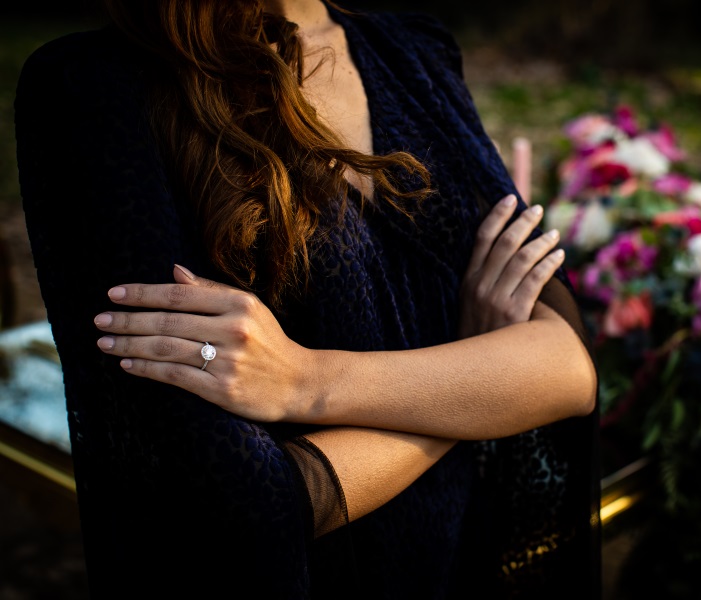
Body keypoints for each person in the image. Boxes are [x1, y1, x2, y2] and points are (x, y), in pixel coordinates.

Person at [15, 0, 599, 598]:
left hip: (461, 559)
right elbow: (249, 506)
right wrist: (481, 386)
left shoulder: (416, 51)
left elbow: (570, 368)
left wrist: (306, 379)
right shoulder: (94, 87)